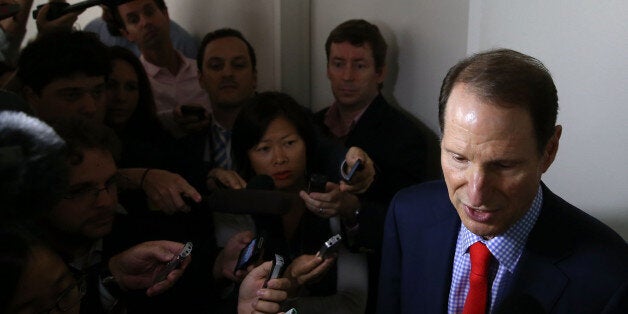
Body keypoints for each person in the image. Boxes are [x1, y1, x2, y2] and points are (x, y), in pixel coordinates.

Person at [377, 49, 628, 313]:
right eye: (459, 158)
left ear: (549, 150)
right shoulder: (407, 215)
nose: (476, 195)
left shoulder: (610, 276)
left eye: (503, 165)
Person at [311, 19, 434, 311]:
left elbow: (409, 224)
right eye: (338, 64)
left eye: (360, 65)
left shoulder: (407, 136)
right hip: (313, 273)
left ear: (380, 73)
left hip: (374, 284)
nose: (348, 76)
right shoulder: (311, 126)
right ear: (327, 68)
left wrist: (354, 207)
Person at [16, 30, 202, 215]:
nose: (90, 107)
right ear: (32, 96)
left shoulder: (118, 144)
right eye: (72, 95)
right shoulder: (15, 158)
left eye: (97, 92)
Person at [231, 91, 368, 313]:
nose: (280, 158)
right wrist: (290, 282)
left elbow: (353, 303)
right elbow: (231, 298)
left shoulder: (332, 200)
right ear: (246, 155)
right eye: (264, 149)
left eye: (289, 143)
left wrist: (285, 301)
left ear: (307, 143)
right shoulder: (239, 206)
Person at [112, 0, 210, 137]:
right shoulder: (135, 85)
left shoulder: (203, 72)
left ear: (165, 14)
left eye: (149, 12)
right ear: (127, 34)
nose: (145, 22)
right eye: (134, 20)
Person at [84, 4, 198, 59]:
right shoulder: (94, 30)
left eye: (109, 11)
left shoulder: (180, 44)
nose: (104, 17)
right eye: (102, 8)